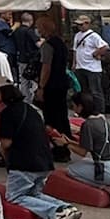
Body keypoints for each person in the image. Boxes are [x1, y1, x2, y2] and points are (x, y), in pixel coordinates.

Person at [0, 85, 80, 219]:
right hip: (44, 161)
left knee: (15, 196)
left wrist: (3, 154)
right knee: (34, 194)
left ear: (4, 96)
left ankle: (57, 212)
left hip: (23, 163)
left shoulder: (8, 113)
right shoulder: (33, 110)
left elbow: (6, 143)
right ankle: (65, 207)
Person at [69, 93, 110, 207]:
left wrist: (66, 144)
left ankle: (106, 187)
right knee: (85, 163)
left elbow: (82, 152)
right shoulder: (103, 119)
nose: (73, 109)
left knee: (71, 170)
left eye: (74, 106)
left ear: (80, 107)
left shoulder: (88, 124)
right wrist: (69, 141)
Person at [34, 13, 71, 156]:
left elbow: (46, 67)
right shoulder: (61, 43)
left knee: (51, 117)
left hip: (51, 86)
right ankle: (65, 145)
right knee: (62, 116)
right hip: (61, 83)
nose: (37, 30)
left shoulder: (48, 46)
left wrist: (41, 87)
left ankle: (57, 147)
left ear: (43, 28)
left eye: (38, 27)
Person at [71, 17, 110, 113]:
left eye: (81, 24)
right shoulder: (77, 35)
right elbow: (75, 50)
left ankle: (99, 110)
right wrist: (74, 63)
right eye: (78, 25)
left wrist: (96, 53)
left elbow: (105, 46)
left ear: (87, 24)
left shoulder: (94, 36)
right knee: (82, 90)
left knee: (95, 91)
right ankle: (85, 109)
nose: (79, 27)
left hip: (92, 68)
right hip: (80, 66)